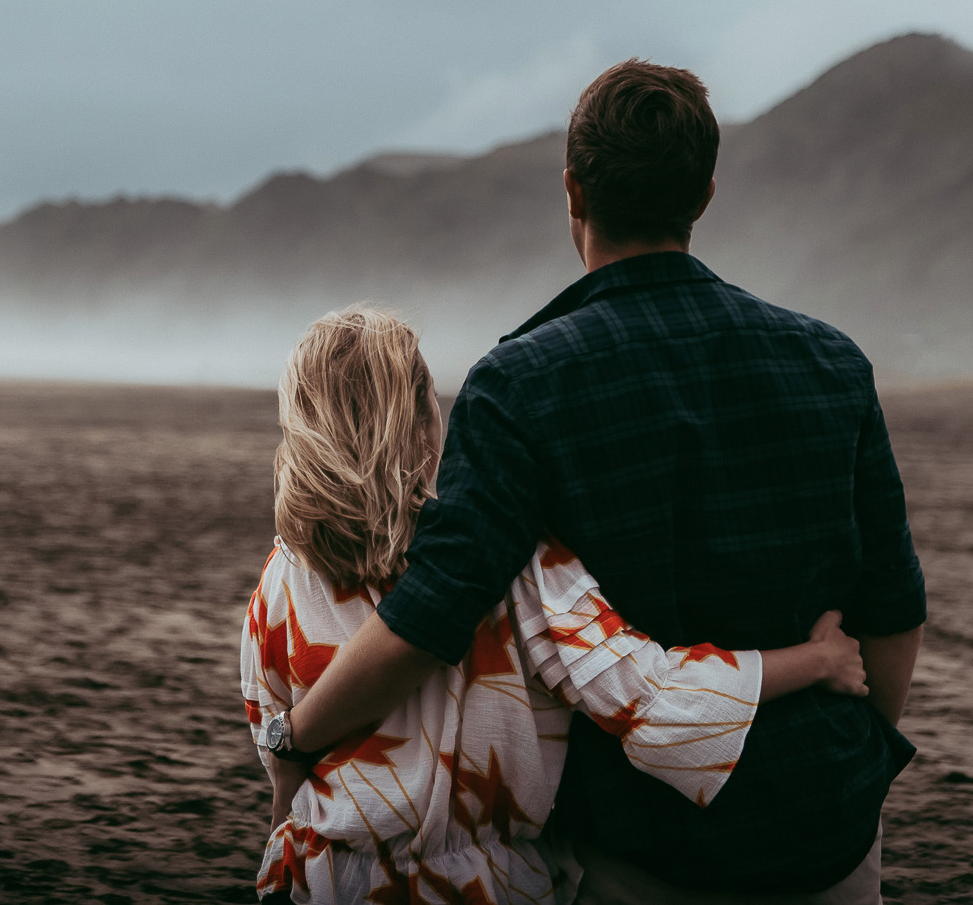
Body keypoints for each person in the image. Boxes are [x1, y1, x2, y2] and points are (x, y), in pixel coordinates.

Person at [269, 61, 928, 904]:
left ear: (574, 191)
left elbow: (430, 619)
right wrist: (856, 756)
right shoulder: (833, 363)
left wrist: (295, 741)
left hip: (642, 848)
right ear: (706, 193)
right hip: (831, 831)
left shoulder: (522, 383)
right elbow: (894, 609)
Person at [242, 307, 869, 904]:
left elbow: (273, 733)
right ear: (422, 424)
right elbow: (652, 699)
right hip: (483, 885)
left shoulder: (279, 581)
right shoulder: (515, 563)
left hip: (317, 877)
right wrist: (816, 661)